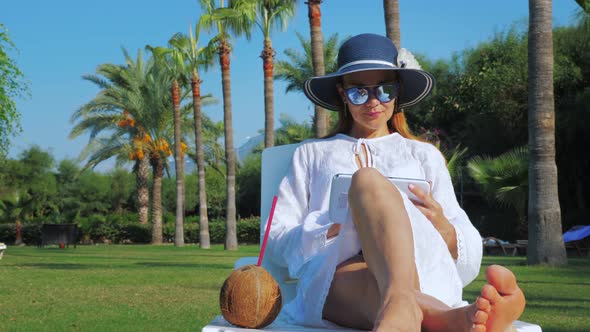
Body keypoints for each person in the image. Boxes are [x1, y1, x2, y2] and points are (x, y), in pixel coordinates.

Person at [266, 33, 525, 331]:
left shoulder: (423, 155)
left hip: (417, 268)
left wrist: (445, 229)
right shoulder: (311, 155)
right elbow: (276, 236)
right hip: (338, 273)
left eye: (385, 90)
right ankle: (449, 319)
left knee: (369, 191)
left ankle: (407, 309)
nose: (374, 101)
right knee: (366, 184)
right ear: (341, 93)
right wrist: (328, 229)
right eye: (359, 92)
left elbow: (464, 241)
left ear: (398, 90)